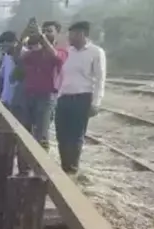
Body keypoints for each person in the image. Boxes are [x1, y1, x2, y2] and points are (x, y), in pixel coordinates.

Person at [56, 21, 106, 175]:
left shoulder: (96, 52)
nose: (69, 37)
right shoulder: (66, 52)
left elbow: (100, 79)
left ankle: (72, 168)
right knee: (61, 134)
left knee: (76, 135)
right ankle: (65, 166)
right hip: (64, 98)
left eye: (72, 34)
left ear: (82, 34)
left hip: (82, 98)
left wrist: (96, 103)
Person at [14, 20, 67, 151]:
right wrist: (22, 37)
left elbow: (56, 57)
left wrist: (41, 37)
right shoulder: (33, 52)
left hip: (46, 96)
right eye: (44, 31)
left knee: (42, 134)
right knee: (24, 132)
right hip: (28, 95)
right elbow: (17, 56)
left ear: (57, 34)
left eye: (49, 31)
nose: (45, 34)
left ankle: (40, 169)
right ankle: (24, 170)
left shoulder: (61, 51)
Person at [0, 31, 22, 112]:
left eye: (4, 46)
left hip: (18, 102)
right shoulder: (7, 56)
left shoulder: (23, 55)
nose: (2, 49)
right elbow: (1, 73)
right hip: (6, 99)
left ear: (14, 43)